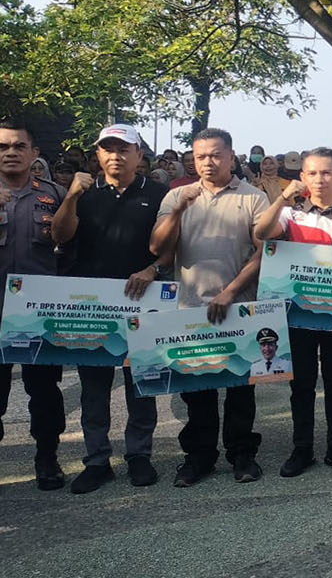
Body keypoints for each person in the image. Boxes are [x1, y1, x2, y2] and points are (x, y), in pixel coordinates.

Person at [49, 124, 167, 494]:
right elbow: (60, 236)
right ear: (97, 156)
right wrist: (70, 198)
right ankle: (97, 460)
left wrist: (153, 269)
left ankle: (139, 456)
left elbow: (173, 243)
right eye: (107, 149)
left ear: (139, 155)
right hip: (92, 306)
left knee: (142, 385)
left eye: (124, 149)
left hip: (142, 302)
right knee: (93, 389)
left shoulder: (159, 194)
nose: (115, 156)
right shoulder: (83, 194)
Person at [150, 128, 270, 486]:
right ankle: (198, 456)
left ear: (231, 157)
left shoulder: (253, 198)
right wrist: (179, 211)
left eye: (216, 155)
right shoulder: (177, 195)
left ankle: (242, 455)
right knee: (197, 389)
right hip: (190, 309)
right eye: (200, 156)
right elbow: (158, 247)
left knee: (239, 388)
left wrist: (230, 292)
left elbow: (263, 252)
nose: (207, 162)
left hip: (240, 307)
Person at [252, 146, 332, 478]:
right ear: (303, 177)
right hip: (296, 314)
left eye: (327, 172)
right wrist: (282, 197)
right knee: (301, 383)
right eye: (312, 173)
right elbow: (261, 232)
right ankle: (302, 448)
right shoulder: (291, 213)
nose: (320, 179)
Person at [0, 120, 69, 490]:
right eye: (2, 147)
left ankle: (47, 457)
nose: (10, 153)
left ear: (33, 153)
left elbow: (70, 247)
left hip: (38, 315)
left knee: (43, 391)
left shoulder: (56, 194)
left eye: (18, 146)